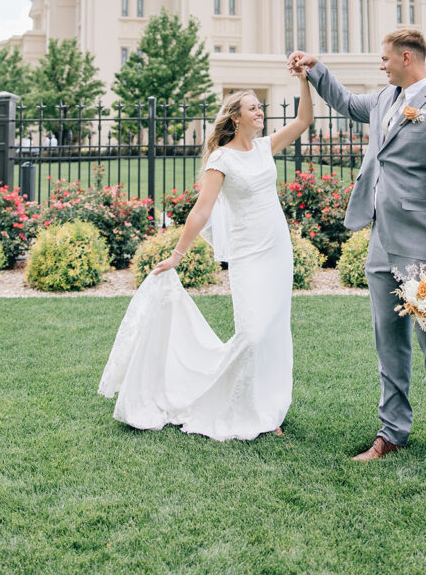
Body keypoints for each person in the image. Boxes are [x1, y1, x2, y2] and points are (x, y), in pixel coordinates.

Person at [289, 29, 426, 479]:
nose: (382, 64)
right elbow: (348, 103)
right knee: (388, 346)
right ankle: (392, 431)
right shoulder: (387, 99)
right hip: (381, 247)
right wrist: (315, 69)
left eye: (386, 58)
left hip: (425, 252)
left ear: (407, 57)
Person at [98, 69, 313, 441]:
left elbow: (304, 119)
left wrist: (304, 81)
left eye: (261, 107)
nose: (260, 112)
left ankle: (268, 409)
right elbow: (201, 211)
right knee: (252, 332)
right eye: (253, 108)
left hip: (278, 249)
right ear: (235, 117)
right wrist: (177, 255)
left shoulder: (264, 148)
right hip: (248, 254)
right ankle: (226, 403)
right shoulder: (221, 160)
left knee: (275, 332)